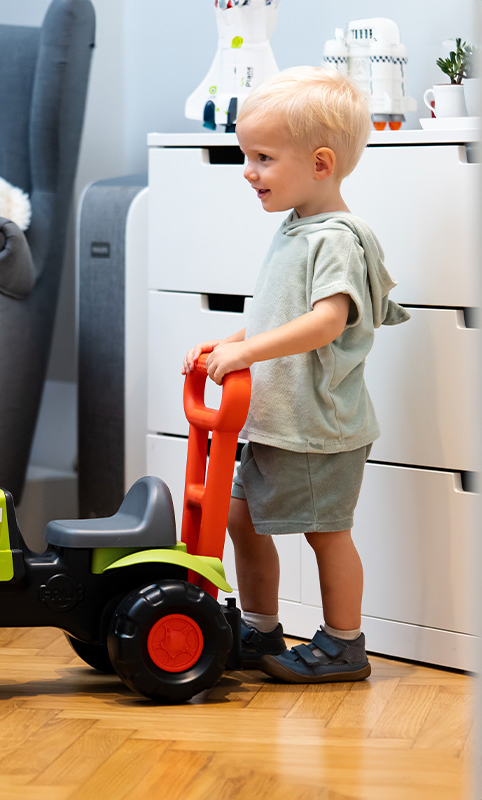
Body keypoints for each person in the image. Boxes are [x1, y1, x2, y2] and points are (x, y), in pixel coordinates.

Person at [182, 66, 409, 683]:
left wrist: (248, 354)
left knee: (325, 534)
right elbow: (279, 315)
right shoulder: (296, 227)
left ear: (320, 163)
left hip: (316, 427)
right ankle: (258, 629)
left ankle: (343, 643)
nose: (247, 170)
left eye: (262, 157)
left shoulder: (338, 237)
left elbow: (325, 322)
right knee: (240, 520)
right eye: (244, 155)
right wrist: (230, 340)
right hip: (275, 421)